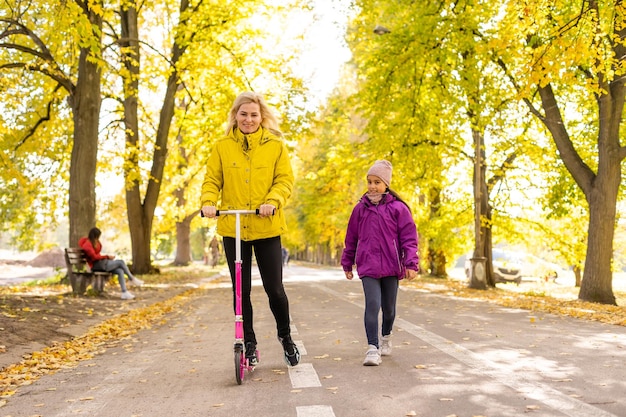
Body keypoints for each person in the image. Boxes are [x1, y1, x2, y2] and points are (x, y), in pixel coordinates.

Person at [200, 91, 299, 367]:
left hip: (266, 225)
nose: (248, 119)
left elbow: (284, 181)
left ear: (262, 116)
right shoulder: (222, 146)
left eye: (254, 114)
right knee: (240, 291)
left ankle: (285, 337)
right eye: (243, 114)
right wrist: (208, 202)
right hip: (234, 227)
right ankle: (250, 344)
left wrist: (272, 201)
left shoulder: (275, 146)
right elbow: (211, 180)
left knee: (274, 289)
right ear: (235, 115)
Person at [341, 160, 419, 366]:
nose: (373, 186)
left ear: (386, 184)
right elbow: (351, 238)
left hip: (392, 267)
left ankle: (386, 336)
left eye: (377, 182)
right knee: (373, 305)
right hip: (368, 266)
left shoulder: (398, 209)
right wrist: (347, 263)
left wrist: (411, 263)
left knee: (389, 309)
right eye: (370, 182)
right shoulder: (360, 209)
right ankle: (372, 348)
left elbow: (409, 238)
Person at [78, 227, 144, 300]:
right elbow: (94, 257)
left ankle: (124, 292)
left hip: (101, 264)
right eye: (98, 237)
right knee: (120, 262)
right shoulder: (87, 245)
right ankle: (132, 279)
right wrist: (107, 257)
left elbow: (97, 254)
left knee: (120, 271)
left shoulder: (94, 243)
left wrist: (106, 257)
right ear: (95, 236)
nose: (98, 239)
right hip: (96, 266)